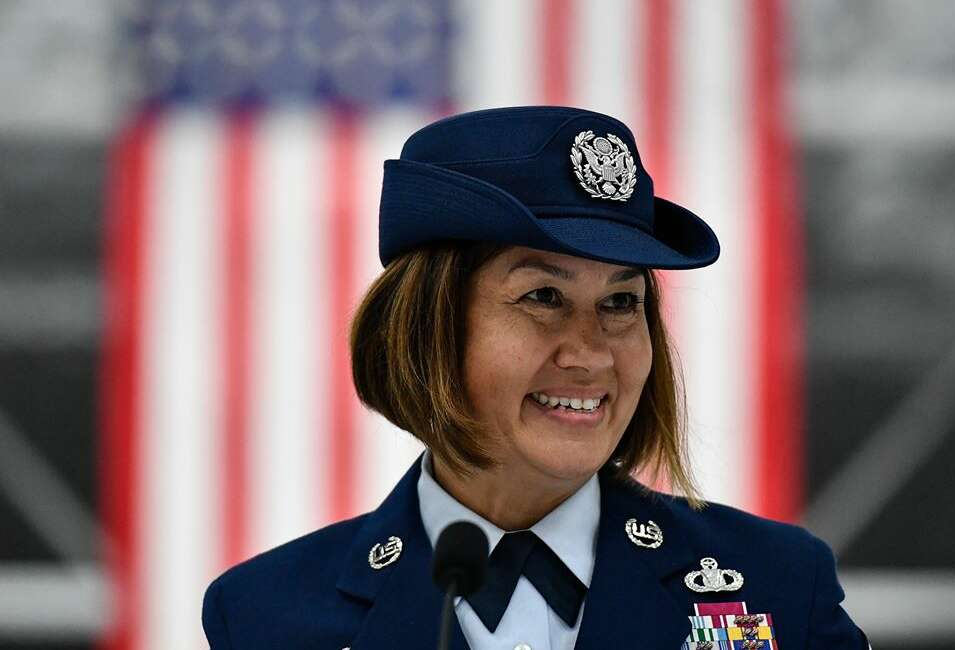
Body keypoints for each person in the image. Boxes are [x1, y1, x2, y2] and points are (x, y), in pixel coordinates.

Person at [201, 106, 870, 649]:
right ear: (426, 328)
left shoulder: (780, 589)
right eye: (543, 298)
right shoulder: (267, 618)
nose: (591, 355)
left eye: (620, 303)